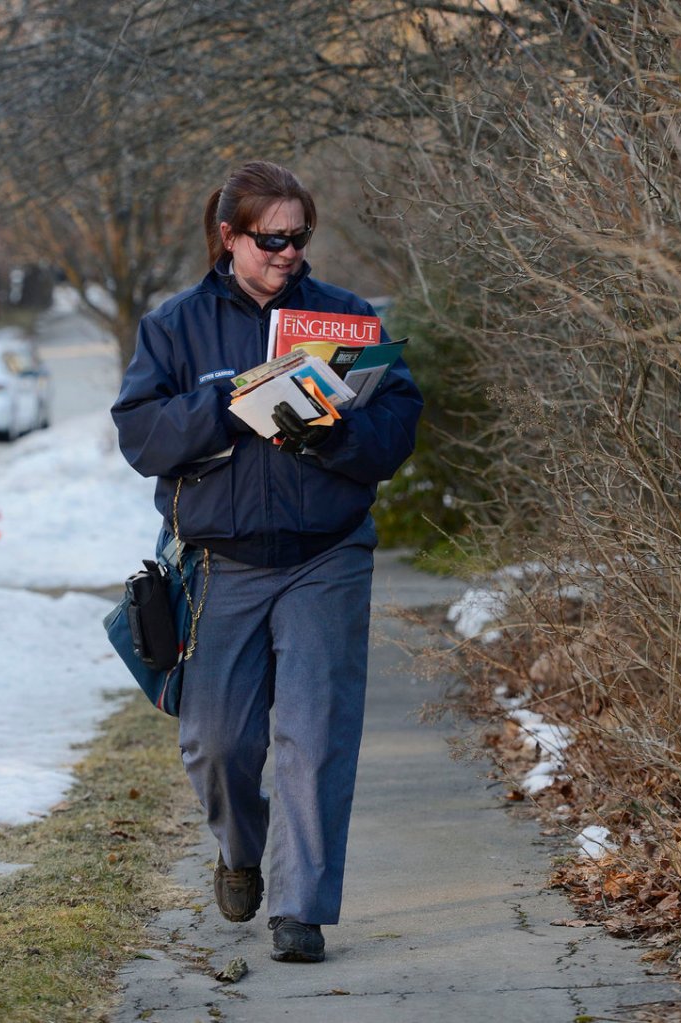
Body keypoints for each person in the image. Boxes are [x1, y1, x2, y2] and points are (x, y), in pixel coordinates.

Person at [111, 160, 423, 963]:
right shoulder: (174, 328)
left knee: (314, 734)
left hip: (327, 553)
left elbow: (396, 427)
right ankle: (242, 851)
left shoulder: (346, 319)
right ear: (229, 237)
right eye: (272, 238)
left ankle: (299, 907)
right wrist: (231, 406)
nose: (289, 252)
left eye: (299, 236)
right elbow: (141, 436)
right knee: (216, 740)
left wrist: (337, 434)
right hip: (220, 562)